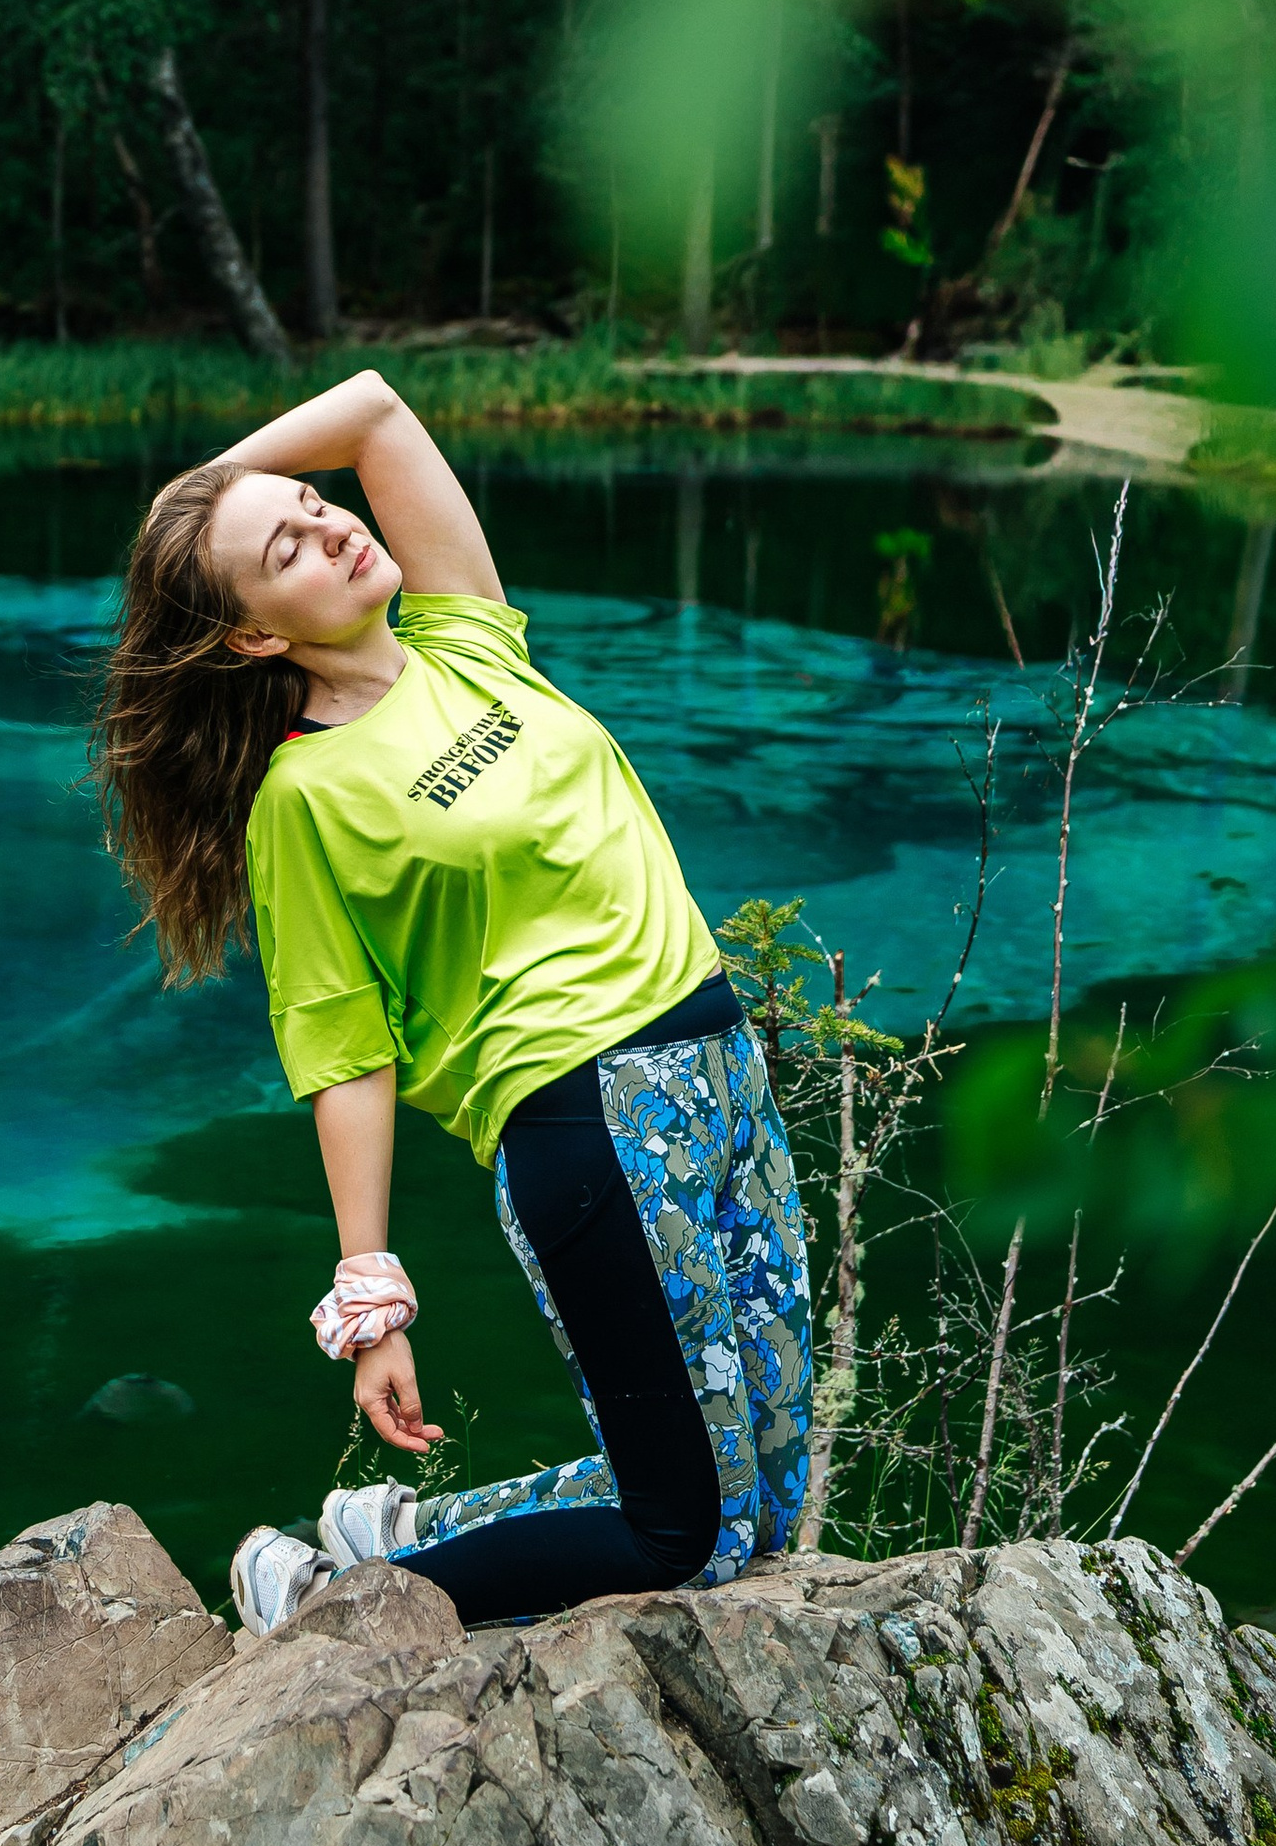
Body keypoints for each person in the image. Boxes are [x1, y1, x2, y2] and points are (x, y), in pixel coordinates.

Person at [92, 368, 812, 1635]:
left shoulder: (461, 637)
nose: (330, 526)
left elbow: (370, 411)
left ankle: (402, 1530)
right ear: (257, 635)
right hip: (590, 1120)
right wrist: (371, 1294)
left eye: (311, 509)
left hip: (718, 1064)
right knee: (684, 1532)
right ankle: (322, 1603)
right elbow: (337, 1043)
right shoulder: (302, 801)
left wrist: (196, 493)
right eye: (288, 549)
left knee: (767, 1493)